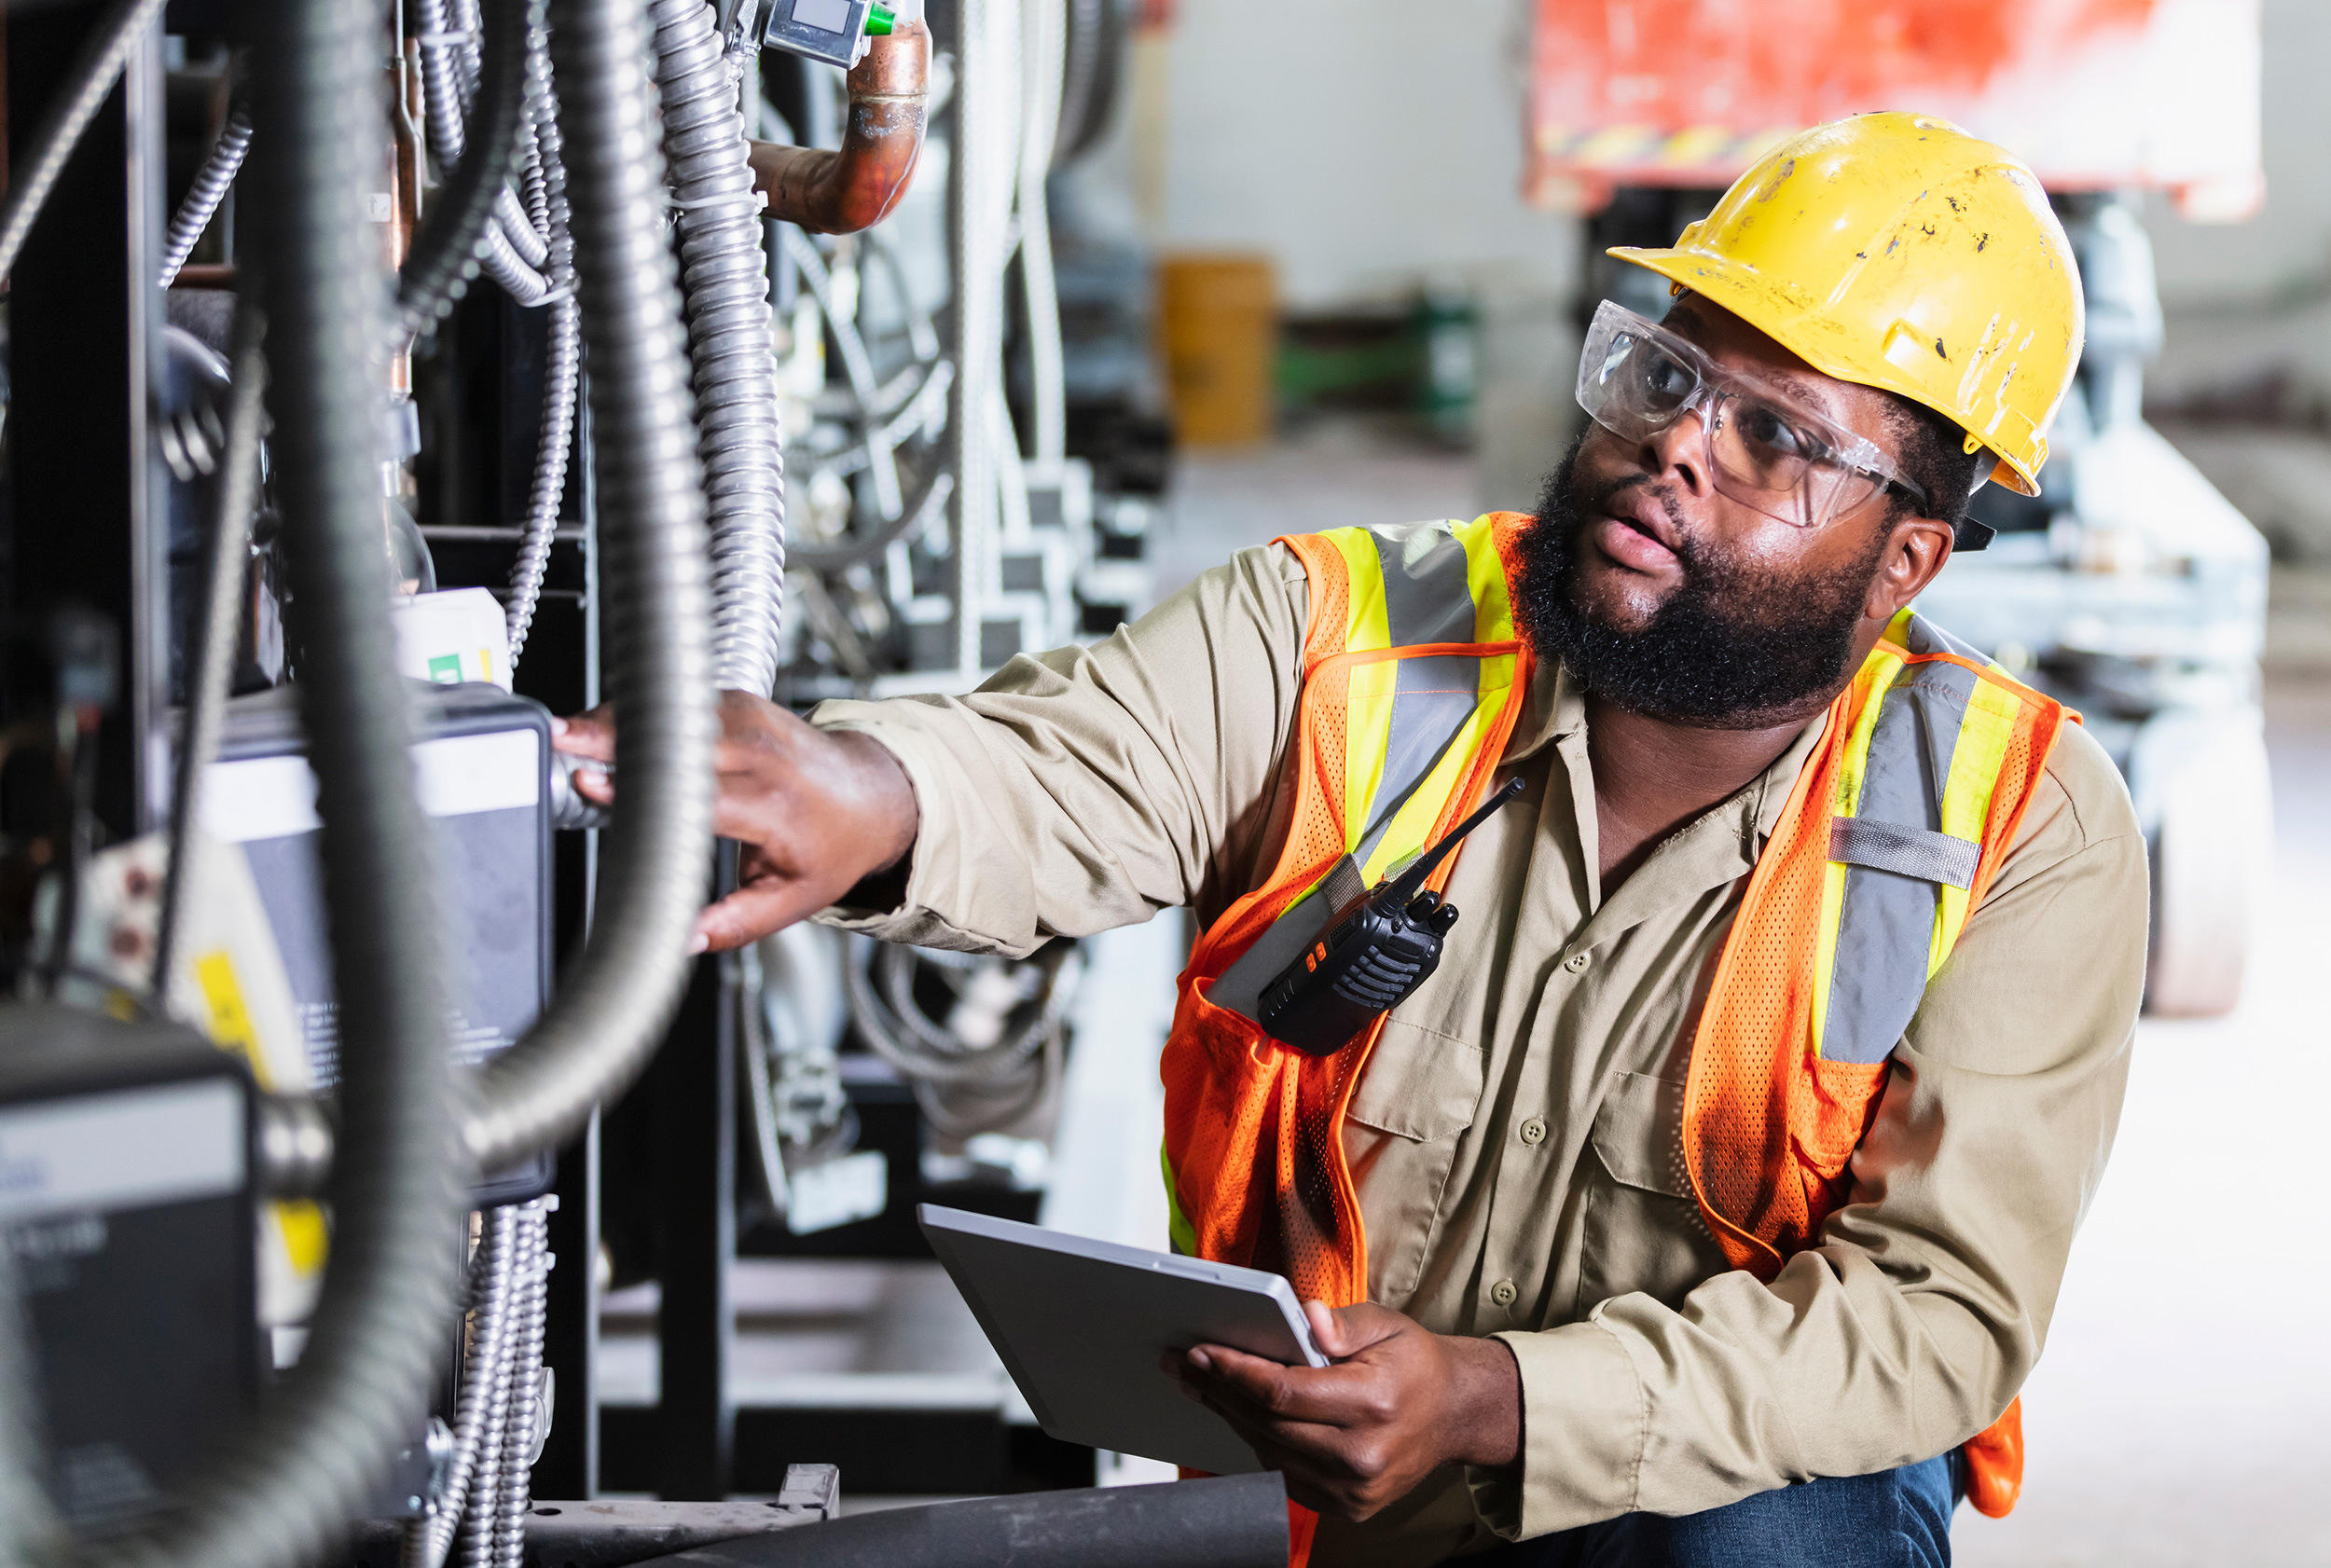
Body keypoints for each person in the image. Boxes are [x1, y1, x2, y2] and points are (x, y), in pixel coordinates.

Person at [558, 114, 2145, 1568]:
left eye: (1778, 440)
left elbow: (1936, 1315)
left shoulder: (2014, 824)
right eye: (1666, 378)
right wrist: (875, 791)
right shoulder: (1344, 631)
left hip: (1695, 1501)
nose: (1678, 446)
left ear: (1907, 560)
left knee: (1778, 1535)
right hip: (1329, 1501)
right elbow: (1074, 763)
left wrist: (1502, 1400)